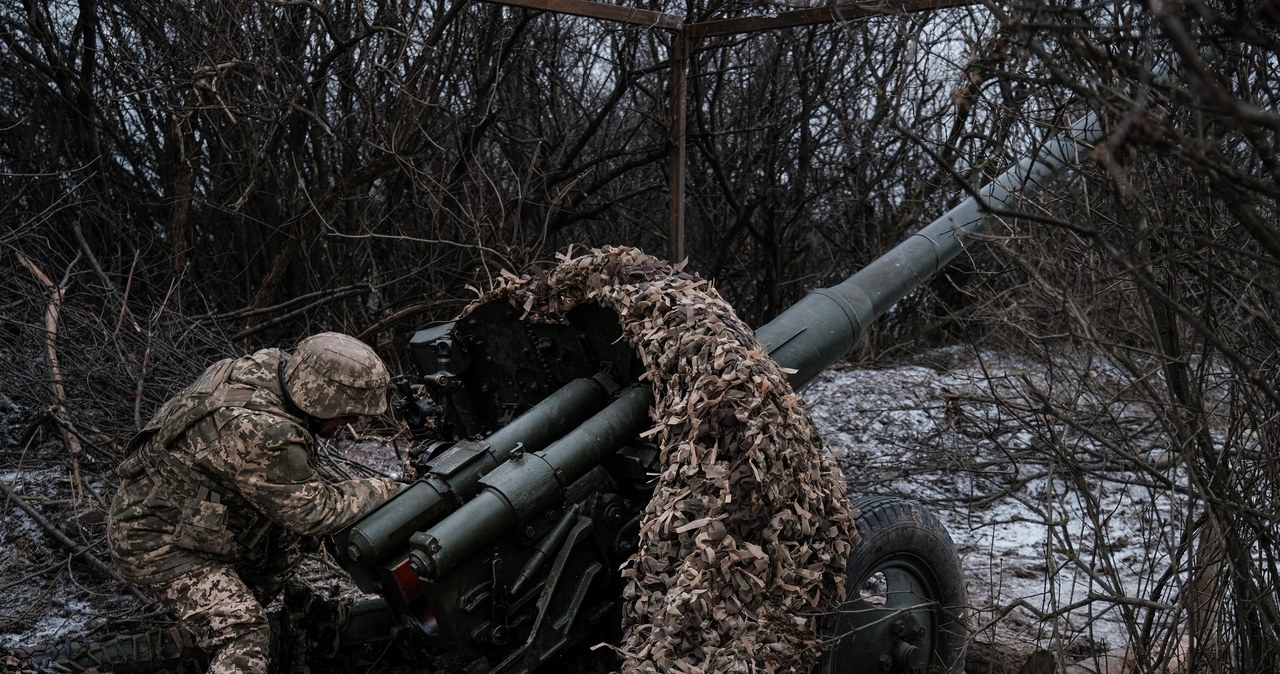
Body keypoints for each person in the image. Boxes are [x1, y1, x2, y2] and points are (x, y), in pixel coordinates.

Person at [107, 332, 403, 674]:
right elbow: (315, 511)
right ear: (322, 400)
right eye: (347, 416)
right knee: (244, 633)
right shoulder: (262, 431)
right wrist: (387, 490)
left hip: (190, 516)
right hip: (154, 538)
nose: (346, 426)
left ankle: (214, 638)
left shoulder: (267, 370)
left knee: (285, 553)